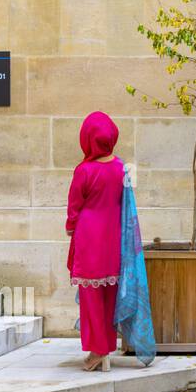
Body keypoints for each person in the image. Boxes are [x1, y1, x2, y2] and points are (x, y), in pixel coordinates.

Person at [65, 112, 125, 372]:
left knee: (90, 297)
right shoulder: (121, 167)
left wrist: (70, 227)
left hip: (89, 235)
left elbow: (74, 206)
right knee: (108, 295)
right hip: (113, 235)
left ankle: (98, 350)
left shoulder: (84, 170)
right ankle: (106, 346)